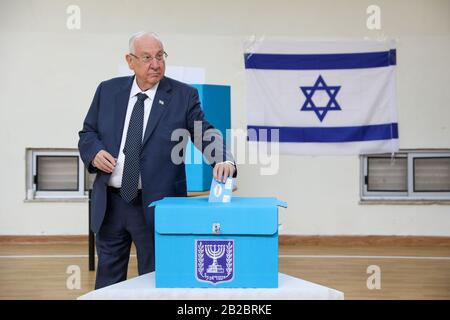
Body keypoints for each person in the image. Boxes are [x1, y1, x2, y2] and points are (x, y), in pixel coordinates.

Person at [78, 31, 236, 289]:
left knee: (154, 282)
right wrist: (94, 152)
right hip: (110, 203)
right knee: (108, 282)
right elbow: (87, 133)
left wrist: (223, 159)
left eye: (160, 56)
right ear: (130, 61)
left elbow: (204, 132)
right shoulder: (107, 91)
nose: (156, 64)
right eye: (147, 57)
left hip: (156, 205)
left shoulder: (183, 96)